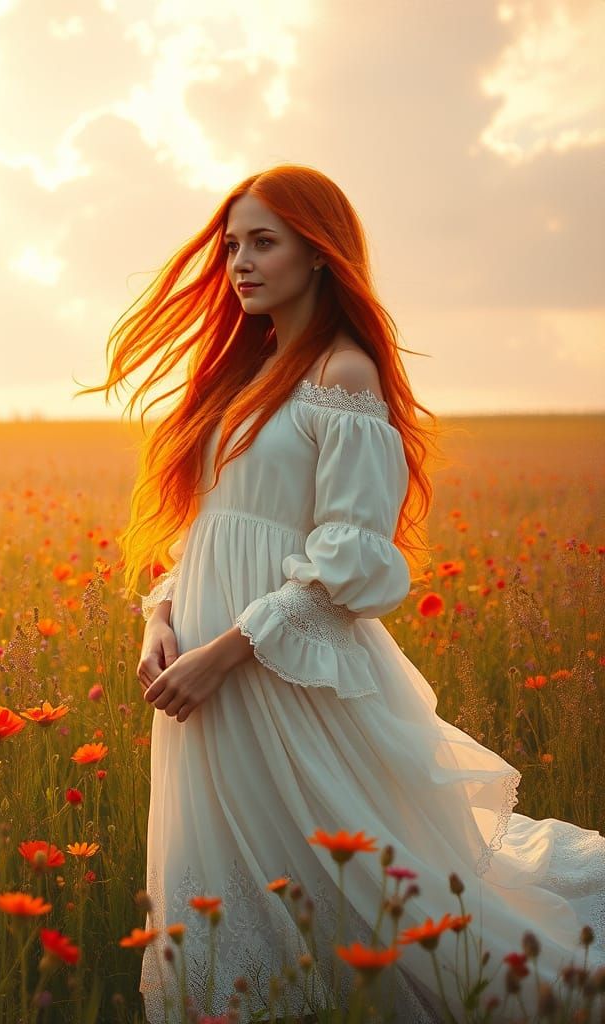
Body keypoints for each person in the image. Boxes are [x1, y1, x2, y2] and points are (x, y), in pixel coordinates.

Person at [81, 165, 605, 1022]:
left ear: (319, 254)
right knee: (225, 871)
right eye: (231, 246)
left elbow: (348, 563)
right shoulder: (243, 377)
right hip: (202, 682)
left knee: (351, 877)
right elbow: (210, 534)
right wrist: (162, 620)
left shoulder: (343, 376)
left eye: (263, 241)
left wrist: (223, 653)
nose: (239, 263)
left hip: (284, 678)